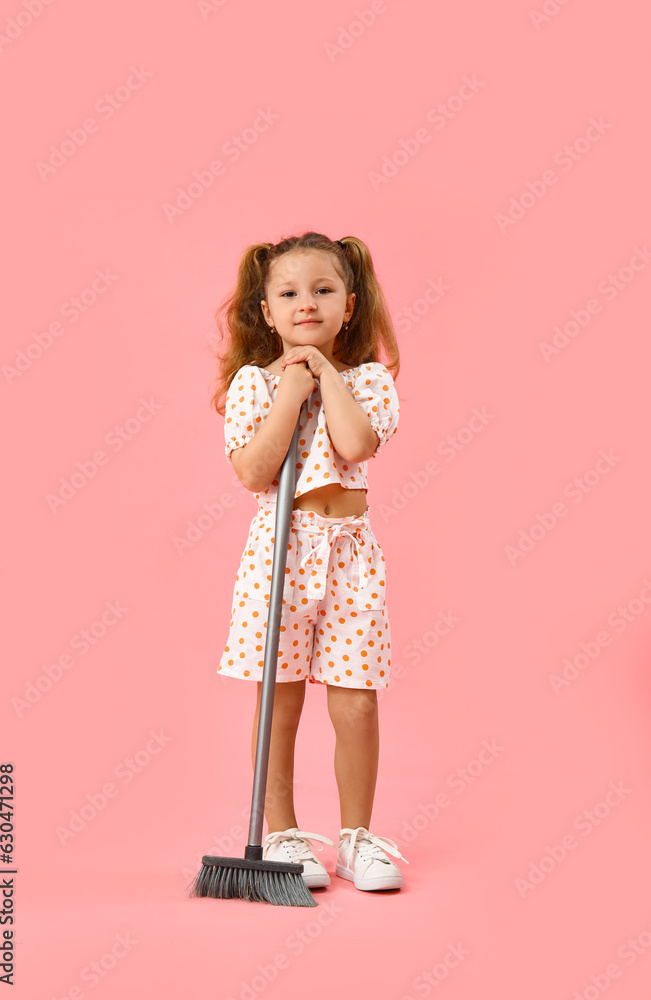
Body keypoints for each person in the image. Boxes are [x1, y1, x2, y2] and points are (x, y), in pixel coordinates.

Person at [211, 231, 408, 892]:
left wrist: (323, 375)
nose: (306, 304)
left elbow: (356, 444)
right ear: (265, 311)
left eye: (323, 290)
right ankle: (284, 833)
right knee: (279, 698)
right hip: (281, 552)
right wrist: (289, 393)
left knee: (356, 703)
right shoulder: (253, 384)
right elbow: (253, 470)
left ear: (348, 306)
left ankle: (356, 839)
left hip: (349, 555)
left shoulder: (367, 380)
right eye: (288, 293)